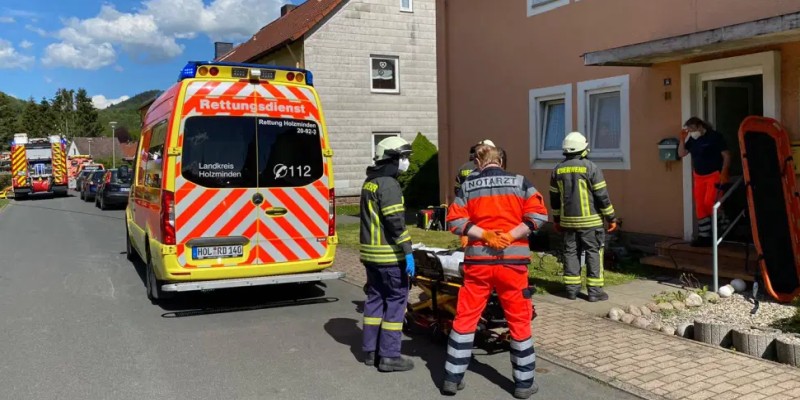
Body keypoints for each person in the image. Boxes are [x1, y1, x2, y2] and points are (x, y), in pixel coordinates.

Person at [444, 144, 548, 399]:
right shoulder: (521, 182)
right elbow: (538, 216)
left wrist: (486, 235)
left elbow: (454, 221)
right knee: (519, 321)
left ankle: (451, 379)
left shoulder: (467, 185)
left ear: (479, 163)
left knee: (465, 319)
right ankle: (523, 384)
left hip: (478, 265)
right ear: (501, 161)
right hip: (512, 266)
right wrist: (510, 236)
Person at [359, 136, 416, 372]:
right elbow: (395, 222)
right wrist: (408, 251)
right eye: (403, 157)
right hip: (389, 258)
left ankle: (370, 352)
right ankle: (390, 356)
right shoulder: (389, 184)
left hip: (370, 257)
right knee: (395, 302)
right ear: (392, 158)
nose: (405, 162)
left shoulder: (369, 182)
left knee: (374, 301)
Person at [550, 132, 617, 302]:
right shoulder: (591, 167)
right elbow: (602, 195)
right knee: (593, 253)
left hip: (568, 222)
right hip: (591, 222)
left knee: (570, 253)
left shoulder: (557, 169)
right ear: (583, 149)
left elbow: (554, 199)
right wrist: (611, 218)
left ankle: (572, 290)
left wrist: (557, 220)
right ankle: (594, 292)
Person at [678, 117, 731, 247]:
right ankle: (704, 236)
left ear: (700, 126)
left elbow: (727, 155)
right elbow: (681, 153)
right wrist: (682, 139)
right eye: (688, 130)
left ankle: (724, 225)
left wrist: (724, 172)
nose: (690, 132)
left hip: (714, 174)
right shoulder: (692, 140)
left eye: (692, 129)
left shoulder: (715, 137)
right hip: (699, 176)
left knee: (710, 201)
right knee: (700, 206)